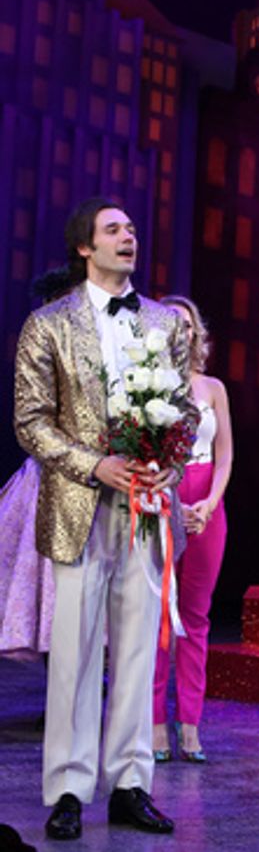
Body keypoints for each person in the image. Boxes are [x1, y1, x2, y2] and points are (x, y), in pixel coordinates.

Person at [16, 197, 196, 839]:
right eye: (114, 230)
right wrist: (96, 466)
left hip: (146, 507)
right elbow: (31, 421)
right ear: (85, 247)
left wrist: (168, 467)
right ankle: (67, 789)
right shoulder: (48, 324)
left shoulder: (162, 323)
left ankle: (131, 784)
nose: (130, 237)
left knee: (140, 649)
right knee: (75, 652)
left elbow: (185, 410)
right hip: (80, 503)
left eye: (133, 229)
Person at [149, 296, 232, 764]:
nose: (180, 331)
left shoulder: (214, 388)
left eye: (187, 324)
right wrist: (170, 502)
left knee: (196, 619)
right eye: (170, 323)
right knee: (159, 619)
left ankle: (191, 725)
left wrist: (207, 504)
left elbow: (226, 455)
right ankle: (155, 723)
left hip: (206, 505)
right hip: (161, 500)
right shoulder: (145, 386)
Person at [0, 268, 82, 663]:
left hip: (93, 480)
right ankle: (60, 692)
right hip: (45, 482)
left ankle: (84, 687)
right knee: (45, 592)